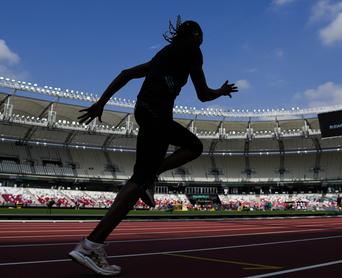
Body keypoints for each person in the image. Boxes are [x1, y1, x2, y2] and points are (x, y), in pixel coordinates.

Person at [68, 16, 238, 276]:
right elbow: (203, 95)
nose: (203, 40)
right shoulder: (193, 50)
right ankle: (91, 244)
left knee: (141, 177)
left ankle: (144, 184)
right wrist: (221, 91)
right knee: (193, 148)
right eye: (201, 35)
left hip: (144, 112)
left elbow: (126, 74)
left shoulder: (163, 54)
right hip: (157, 115)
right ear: (194, 35)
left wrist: (101, 102)